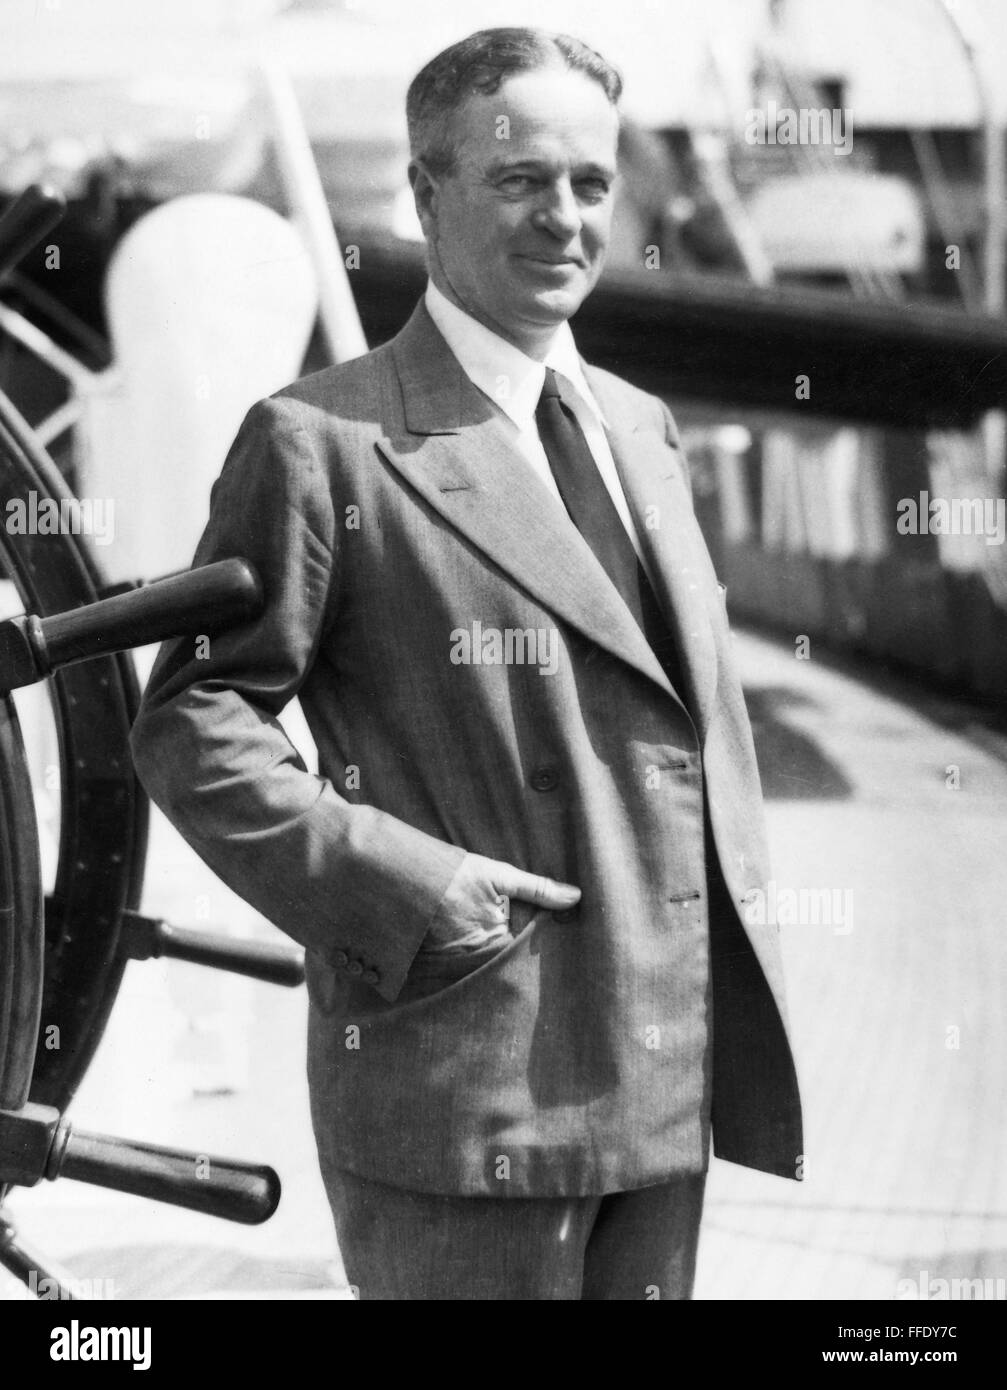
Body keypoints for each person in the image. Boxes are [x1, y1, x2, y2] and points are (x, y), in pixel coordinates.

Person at [130, 26, 803, 1301]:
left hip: (664, 1095)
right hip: (467, 1097)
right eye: (518, 180)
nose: (563, 218)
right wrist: (404, 890)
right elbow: (193, 719)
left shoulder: (641, 432)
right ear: (427, 195)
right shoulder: (325, 442)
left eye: (590, 184)